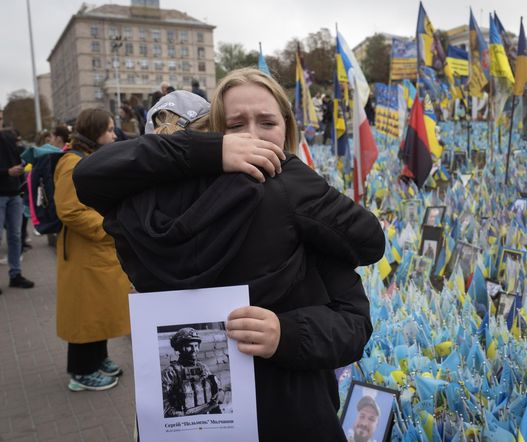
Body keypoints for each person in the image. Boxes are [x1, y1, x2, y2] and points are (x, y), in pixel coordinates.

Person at [73, 72, 384, 440]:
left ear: (288, 127)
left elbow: (353, 324)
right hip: (264, 416)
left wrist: (285, 333)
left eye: (267, 122)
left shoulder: (303, 203)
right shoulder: (285, 189)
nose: (251, 135)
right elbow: (89, 175)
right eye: (236, 126)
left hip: (254, 419)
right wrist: (209, 152)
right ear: (215, 132)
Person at [55, 108, 131, 392]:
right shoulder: (72, 162)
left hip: (94, 250)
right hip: (83, 252)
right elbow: (70, 211)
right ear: (95, 131)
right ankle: (81, 371)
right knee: (84, 314)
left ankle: (99, 358)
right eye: (109, 130)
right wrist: (109, 227)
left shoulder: (86, 158)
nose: (114, 135)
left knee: (98, 311)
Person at [162, 327, 225, 417]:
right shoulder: (170, 373)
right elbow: (165, 407)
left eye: (196, 346)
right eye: (189, 346)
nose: (194, 350)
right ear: (179, 348)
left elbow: (218, 391)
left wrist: (218, 396)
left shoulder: (203, 367)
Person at [0, 127, 35, 292]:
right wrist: (7, 172)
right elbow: (9, 168)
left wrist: (22, 185)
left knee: (15, 236)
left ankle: (15, 274)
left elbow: (18, 160)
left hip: (14, 194)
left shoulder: (8, 137)